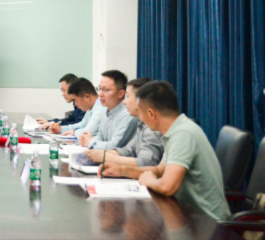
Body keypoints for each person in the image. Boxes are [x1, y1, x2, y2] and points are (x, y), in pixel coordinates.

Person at [99, 81, 230, 221]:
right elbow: (159, 171)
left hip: (210, 224)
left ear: (151, 113)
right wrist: (121, 170)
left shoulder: (183, 134)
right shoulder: (177, 130)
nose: (140, 119)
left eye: (141, 113)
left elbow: (168, 187)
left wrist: (149, 181)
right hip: (188, 216)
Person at [86, 78, 163, 167]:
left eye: (127, 96)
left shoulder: (152, 129)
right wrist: (98, 153)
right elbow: (128, 151)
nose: (124, 102)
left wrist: (106, 157)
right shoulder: (142, 124)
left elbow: (147, 162)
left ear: (141, 100)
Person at [78, 70, 137, 149]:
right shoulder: (104, 110)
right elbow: (100, 136)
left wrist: (90, 142)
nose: (100, 94)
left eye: (106, 90)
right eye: (100, 89)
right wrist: (88, 141)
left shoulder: (128, 114)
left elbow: (114, 146)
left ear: (121, 94)